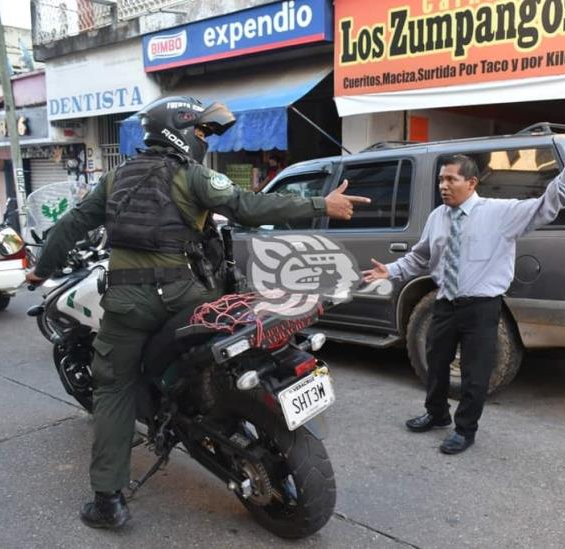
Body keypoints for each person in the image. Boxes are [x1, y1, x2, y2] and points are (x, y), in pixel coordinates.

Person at [25, 96, 370, 529]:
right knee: (204, 331)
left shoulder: (114, 179)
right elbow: (249, 207)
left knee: (112, 388)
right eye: (202, 132)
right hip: (186, 295)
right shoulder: (193, 176)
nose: (204, 139)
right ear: (180, 131)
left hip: (128, 301)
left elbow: (73, 225)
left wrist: (41, 271)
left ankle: (108, 501)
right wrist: (321, 205)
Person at [362, 147, 565, 455]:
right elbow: (422, 257)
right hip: (444, 303)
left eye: (450, 179)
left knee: (474, 372)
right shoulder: (437, 218)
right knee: (434, 361)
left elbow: (545, 207)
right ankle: (437, 413)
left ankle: (464, 429)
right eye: (440, 180)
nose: (443, 186)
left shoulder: (500, 213)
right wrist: (391, 269)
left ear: (471, 183)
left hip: (481, 307)